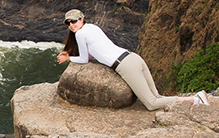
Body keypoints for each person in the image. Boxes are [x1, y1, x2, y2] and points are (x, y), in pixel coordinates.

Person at [56, 9, 209, 110]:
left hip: (125, 65)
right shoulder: (93, 28)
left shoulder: (80, 34)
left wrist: (69, 57)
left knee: (151, 103)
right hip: (133, 57)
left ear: (82, 19)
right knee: (157, 97)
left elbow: (83, 59)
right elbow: (94, 52)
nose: (71, 25)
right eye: (68, 23)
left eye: (74, 21)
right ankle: (194, 100)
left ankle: (195, 99)